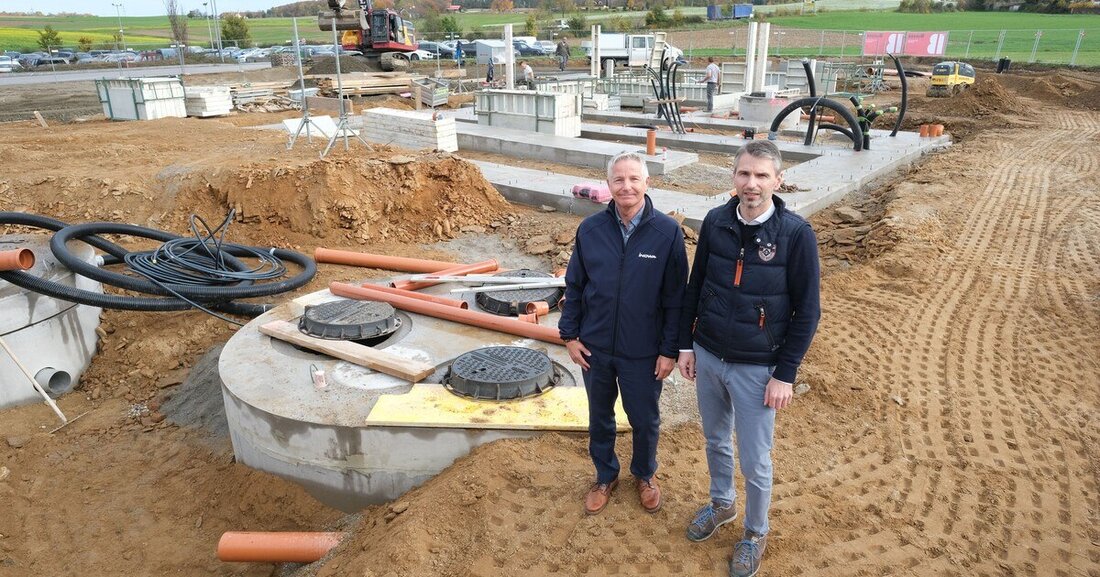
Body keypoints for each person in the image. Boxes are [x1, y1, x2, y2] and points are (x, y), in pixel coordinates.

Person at [677, 140, 820, 577]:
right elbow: (695, 285)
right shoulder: (717, 221)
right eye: (744, 174)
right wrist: (687, 345)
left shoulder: (795, 235)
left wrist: (785, 373)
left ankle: (755, 532)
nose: (751, 184)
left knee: (756, 458)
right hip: (709, 354)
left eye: (761, 176)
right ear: (733, 177)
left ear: (778, 180)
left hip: (759, 367)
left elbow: (808, 310)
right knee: (715, 439)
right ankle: (722, 504)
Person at [559, 151, 688, 517]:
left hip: (643, 352)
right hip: (595, 348)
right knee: (600, 416)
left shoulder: (666, 233)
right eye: (619, 180)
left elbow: (675, 298)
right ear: (609, 185)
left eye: (634, 179)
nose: (626, 186)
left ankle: (645, 475)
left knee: (644, 418)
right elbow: (576, 285)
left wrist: (669, 350)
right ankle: (604, 475)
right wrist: (570, 336)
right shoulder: (590, 231)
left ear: (647, 183)